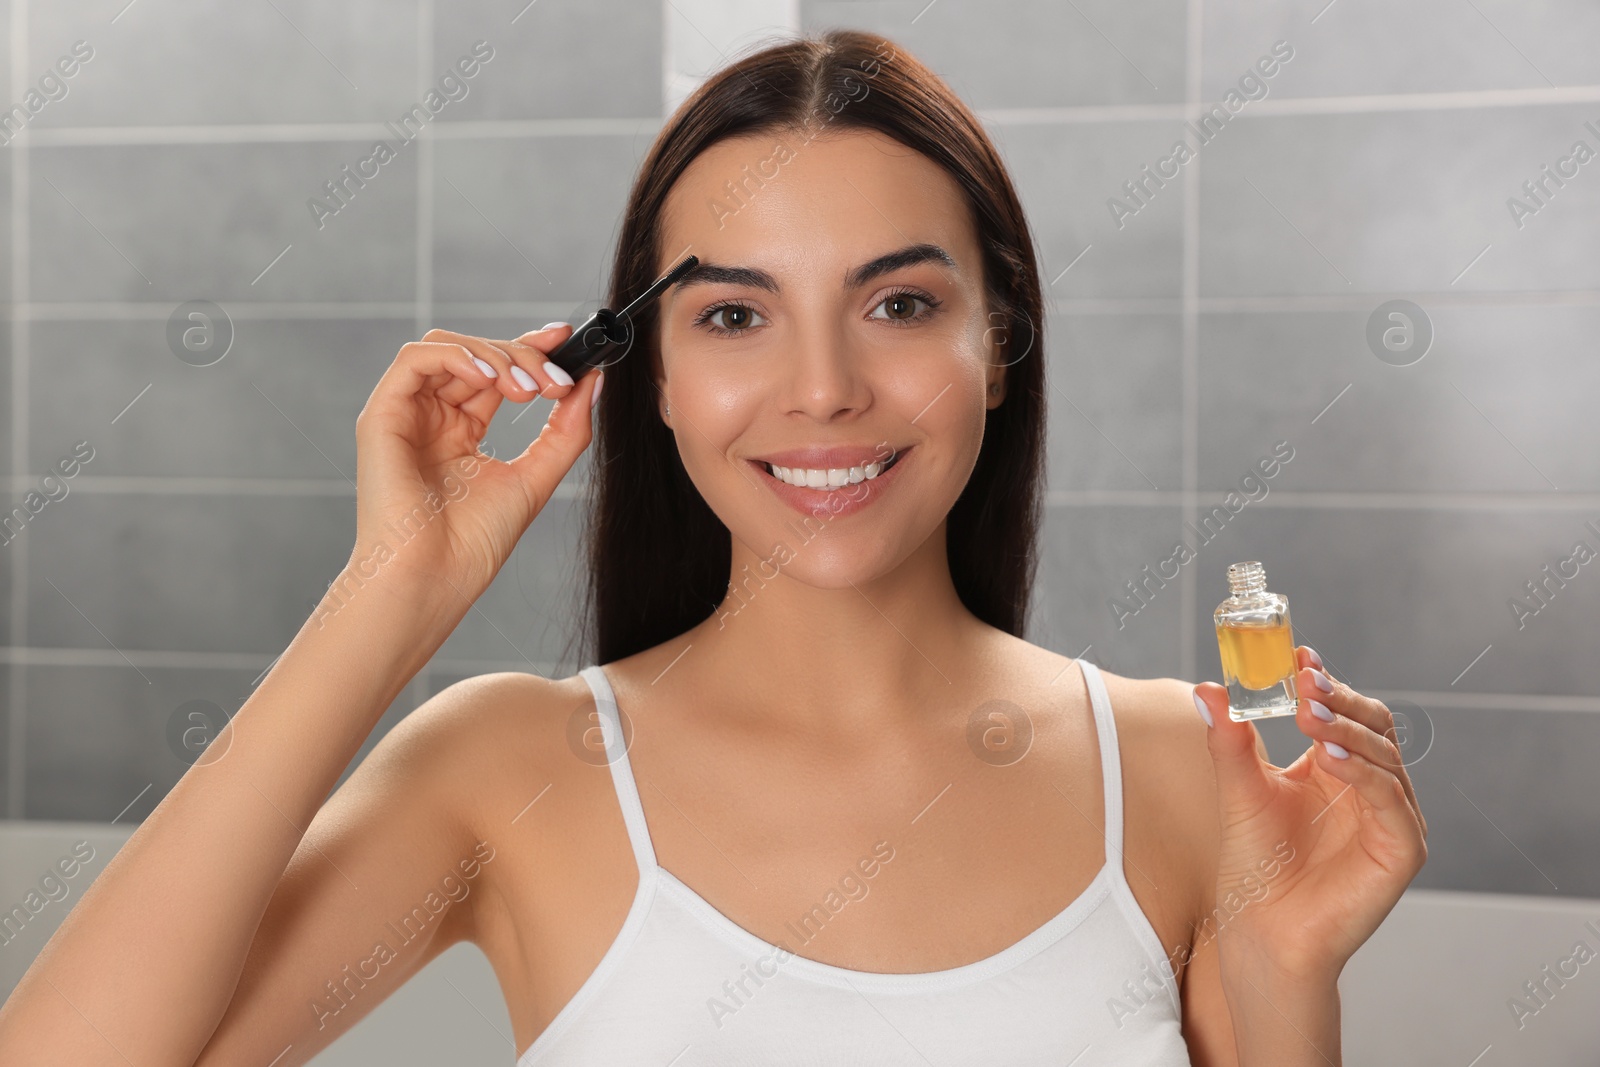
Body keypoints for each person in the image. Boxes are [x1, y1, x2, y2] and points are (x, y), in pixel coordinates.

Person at [0, 28, 1426, 1066]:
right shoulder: (505, 772)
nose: (822, 389)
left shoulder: (1189, 768)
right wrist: (391, 594)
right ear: (658, 375)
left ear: (999, 346)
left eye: (900, 305)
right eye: (735, 315)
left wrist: (1286, 962)